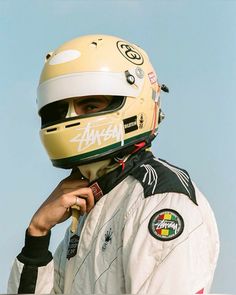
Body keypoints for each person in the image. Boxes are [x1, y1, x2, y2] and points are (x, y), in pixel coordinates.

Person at [8, 34, 219, 294]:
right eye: (61, 109)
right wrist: (37, 236)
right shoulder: (86, 211)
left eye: (90, 105)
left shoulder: (160, 199)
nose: (71, 118)